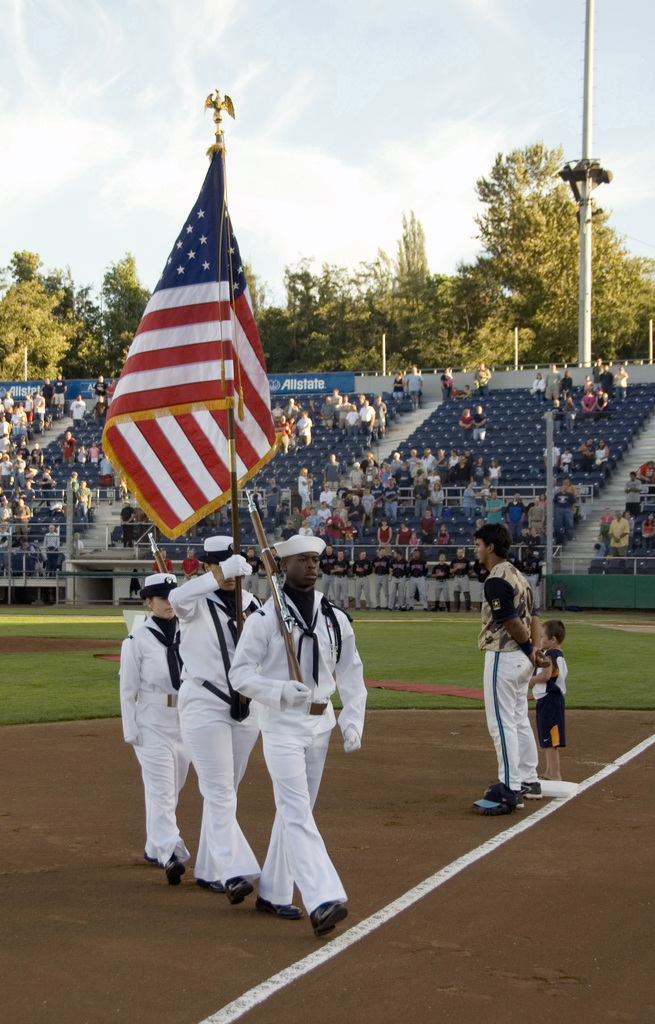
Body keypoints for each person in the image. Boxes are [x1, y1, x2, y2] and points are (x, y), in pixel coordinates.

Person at [230, 534, 367, 936]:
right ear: (282, 566)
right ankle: (323, 897)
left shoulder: (334, 619)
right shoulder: (264, 619)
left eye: (315, 559)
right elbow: (239, 674)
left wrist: (353, 718)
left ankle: (273, 892)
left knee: (295, 812)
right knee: (297, 812)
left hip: (320, 725)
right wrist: (277, 692)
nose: (311, 565)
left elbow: (352, 672)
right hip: (281, 726)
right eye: (302, 560)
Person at [168, 537, 261, 900]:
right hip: (205, 701)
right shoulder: (195, 601)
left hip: (244, 704)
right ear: (208, 566)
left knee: (227, 793)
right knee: (219, 790)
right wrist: (219, 574)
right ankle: (233, 870)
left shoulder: (252, 603)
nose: (229, 574)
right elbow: (176, 599)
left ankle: (208, 868)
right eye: (220, 565)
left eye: (234, 565)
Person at [119, 573, 191, 882]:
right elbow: (126, 688)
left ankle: (153, 845)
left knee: (171, 787)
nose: (168, 603)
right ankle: (170, 851)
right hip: (152, 719)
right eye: (162, 599)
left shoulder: (188, 633)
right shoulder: (137, 640)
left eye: (172, 598)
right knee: (162, 789)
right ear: (148, 602)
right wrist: (130, 727)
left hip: (185, 719)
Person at [472, 523, 542, 816]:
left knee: (501, 724)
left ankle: (510, 788)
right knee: (517, 718)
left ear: (490, 547)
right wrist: (535, 651)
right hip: (522, 660)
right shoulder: (519, 576)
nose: (475, 550)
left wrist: (529, 649)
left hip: (504, 655)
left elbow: (512, 622)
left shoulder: (496, 579)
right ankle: (529, 778)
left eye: (478, 545)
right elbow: (535, 616)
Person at [528, 619, 567, 781]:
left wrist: (530, 681)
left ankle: (555, 774)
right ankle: (550, 771)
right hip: (549, 700)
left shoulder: (550, 655)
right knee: (547, 736)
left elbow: (545, 675)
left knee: (550, 738)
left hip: (550, 700)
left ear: (553, 640)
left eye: (543, 637)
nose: (540, 639)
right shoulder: (557, 654)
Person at [450, 547, 471, 611]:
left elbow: (471, 570)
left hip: (464, 577)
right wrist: (457, 568)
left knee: (466, 593)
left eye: (461, 552)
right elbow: (450, 571)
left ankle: (467, 608)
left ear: (463, 553)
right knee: (456, 593)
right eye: (459, 552)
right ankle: (456, 608)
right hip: (456, 577)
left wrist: (466, 571)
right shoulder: (453, 561)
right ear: (457, 553)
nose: (460, 553)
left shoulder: (466, 561)